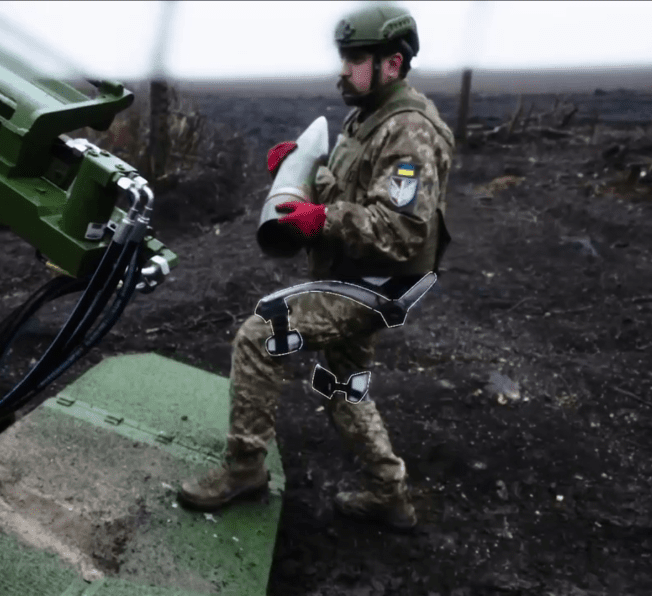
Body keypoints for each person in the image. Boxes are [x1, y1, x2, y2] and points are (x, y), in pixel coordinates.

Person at [178, 3, 454, 530]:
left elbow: (401, 231)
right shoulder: (369, 117)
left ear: (392, 64)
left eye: (356, 59)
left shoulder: (409, 132)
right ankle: (387, 491)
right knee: (341, 382)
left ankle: (244, 469)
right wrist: (302, 169)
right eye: (344, 57)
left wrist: (319, 217)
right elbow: (354, 185)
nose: (343, 70)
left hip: (374, 282)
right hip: (357, 273)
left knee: (260, 338)